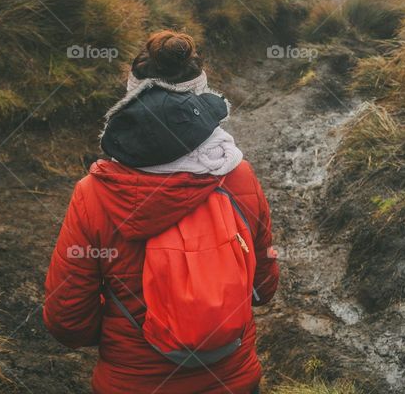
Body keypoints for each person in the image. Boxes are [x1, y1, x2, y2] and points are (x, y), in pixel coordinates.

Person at [44, 30, 280, 394]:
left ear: (130, 99)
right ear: (199, 98)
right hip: (233, 379)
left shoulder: (93, 195)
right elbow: (263, 290)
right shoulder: (237, 175)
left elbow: (68, 322)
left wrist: (125, 330)